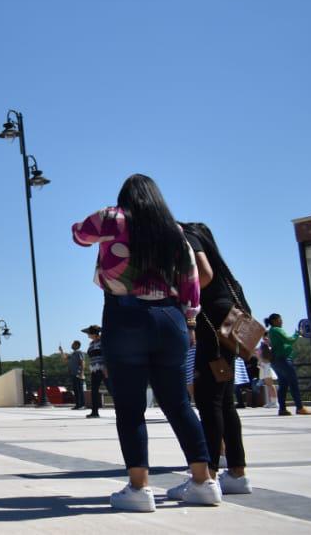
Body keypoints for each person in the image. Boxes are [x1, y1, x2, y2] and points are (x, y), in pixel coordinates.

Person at [72, 174, 219, 511]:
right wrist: (190, 319)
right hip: (171, 318)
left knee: (130, 407)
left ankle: (139, 490)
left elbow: (80, 235)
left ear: (126, 197)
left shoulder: (113, 217)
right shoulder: (174, 231)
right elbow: (192, 283)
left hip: (125, 316)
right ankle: (204, 481)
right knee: (179, 403)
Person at [183, 222, 254, 494]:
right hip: (231, 327)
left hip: (213, 327)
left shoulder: (185, 234)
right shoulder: (226, 271)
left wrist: (182, 295)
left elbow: (203, 274)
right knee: (224, 402)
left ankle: (208, 475)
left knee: (208, 400)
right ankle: (237, 472)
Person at [266, 313, 311, 416]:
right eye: (279, 319)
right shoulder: (277, 330)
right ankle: (300, 407)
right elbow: (289, 340)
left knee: (283, 385)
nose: (282, 321)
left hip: (276, 361)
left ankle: (282, 409)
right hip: (283, 360)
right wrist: (297, 334)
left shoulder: (271, 331)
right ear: (274, 321)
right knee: (293, 383)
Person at [83, 326, 106, 418]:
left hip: (103, 368)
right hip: (94, 369)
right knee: (94, 391)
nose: (88, 335)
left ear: (93, 333)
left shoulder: (103, 342)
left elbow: (106, 354)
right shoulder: (91, 344)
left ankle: (123, 408)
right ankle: (95, 412)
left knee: (111, 389)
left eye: (89, 333)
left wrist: (106, 368)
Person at [66, 341, 86, 409]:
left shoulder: (79, 352)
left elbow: (82, 362)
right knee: (76, 390)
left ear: (77, 345)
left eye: (73, 344)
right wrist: (61, 351)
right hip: (73, 374)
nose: (71, 345)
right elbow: (65, 359)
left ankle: (82, 405)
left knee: (80, 390)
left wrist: (82, 373)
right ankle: (78, 405)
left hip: (78, 373)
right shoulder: (73, 354)